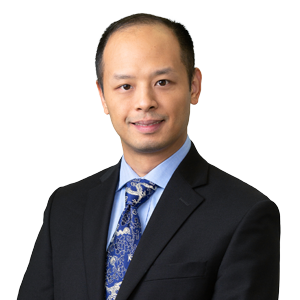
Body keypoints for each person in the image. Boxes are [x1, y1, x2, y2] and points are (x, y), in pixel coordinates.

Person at [17, 13, 280, 300]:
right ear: (103, 96)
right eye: (125, 86)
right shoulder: (65, 207)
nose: (144, 102)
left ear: (194, 85)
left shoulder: (243, 213)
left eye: (163, 82)